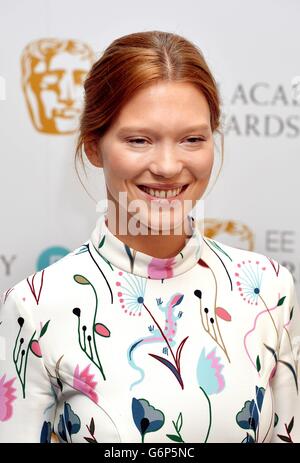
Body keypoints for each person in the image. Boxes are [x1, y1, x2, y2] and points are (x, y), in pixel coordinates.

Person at [0, 30, 299, 444]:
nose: (167, 165)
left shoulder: (269, 288)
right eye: (139, 140)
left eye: (192, 139)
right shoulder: (36, 305)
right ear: (93, 146)